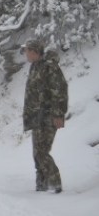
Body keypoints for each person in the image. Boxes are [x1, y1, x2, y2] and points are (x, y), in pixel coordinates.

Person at [21, 39, 67, 193]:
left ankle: (55, 184)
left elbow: (59, 91)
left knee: (41, 151)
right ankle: (42, 185)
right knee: (37, 152)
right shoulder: (35, 66)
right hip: (37, 117)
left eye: (27, 50)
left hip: (48, 116)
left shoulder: (49, 67)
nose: (25, 54)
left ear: (34, 52)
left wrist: (58, 114)